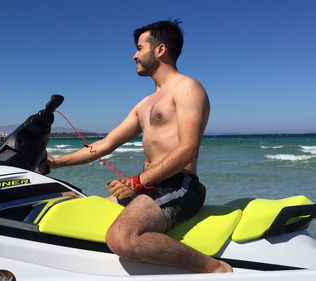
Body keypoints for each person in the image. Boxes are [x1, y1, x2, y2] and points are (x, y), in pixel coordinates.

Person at [45, 20, 232, 273]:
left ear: (160, 50)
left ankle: (216, 268)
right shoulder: (145, 104)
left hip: (179, 186)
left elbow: (188, 149)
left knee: (121, 238)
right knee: (74, 204)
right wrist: (55, 163)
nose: (134, 55)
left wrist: (135, 182)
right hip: (148, 188)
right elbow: (105, 144)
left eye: (140, 48)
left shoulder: (188, 88)